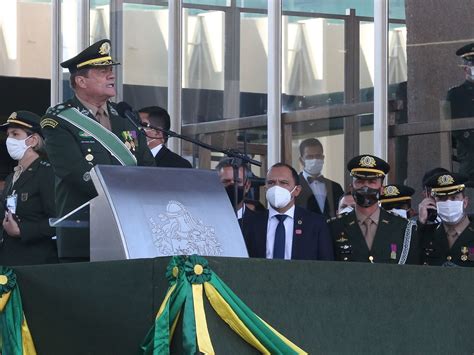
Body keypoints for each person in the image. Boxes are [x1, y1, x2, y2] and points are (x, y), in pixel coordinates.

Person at [41, 39, 155, 261]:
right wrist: (125, 197)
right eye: (103, 72)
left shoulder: (125, 117)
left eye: (111, 70)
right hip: (85, 234)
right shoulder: (58, 120)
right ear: (81, 81)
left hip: (132, 230)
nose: (111, 76)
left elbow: (148, 166)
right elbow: (75, 173)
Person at [328, 155, 419, 264]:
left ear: (381, 189)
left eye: (372, 182)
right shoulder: (334, 227)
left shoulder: (403, 227)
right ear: (351, 188)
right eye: (360, 182)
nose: (365, 187)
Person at [242, 163, 334, 261]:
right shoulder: (250, 222)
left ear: (297, 190)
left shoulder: (315, 224)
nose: (276, 187)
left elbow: (326, 265)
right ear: (265, 189)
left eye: (283, 183)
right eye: (271, 182)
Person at [0, 111, 58, 265]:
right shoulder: (11, 177)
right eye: (8, 135)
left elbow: (58, 220)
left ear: (32, 140)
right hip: (10, 261)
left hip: (37, 265)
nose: (9, 140)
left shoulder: (46, 172)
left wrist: (22, 230)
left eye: (15, 134)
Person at [418, 171, 474, 267]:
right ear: (434, 202)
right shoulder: (427, 233)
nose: (448, 203)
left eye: (453, 198)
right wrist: (421, 222)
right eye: (442, 198)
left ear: (465, 202)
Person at [295, 138, 344, 219]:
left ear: (323, 158)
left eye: (318, 156)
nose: (314, 160)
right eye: (309, 157)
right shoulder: (294, 186)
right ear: (301, 160)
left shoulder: (335, 187)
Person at [446, 42, 474, 180]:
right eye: (473, 64)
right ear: (465, 69)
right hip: (471, 158)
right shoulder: (457, 94)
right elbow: (458, 132)